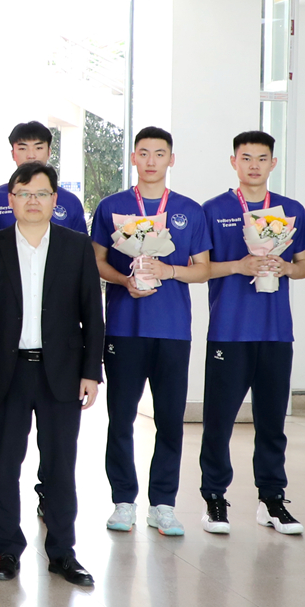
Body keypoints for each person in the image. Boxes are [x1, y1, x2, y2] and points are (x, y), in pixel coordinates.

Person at [0, 161, 102, 587]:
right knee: (2, 465)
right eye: (24, 193)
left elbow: (92, 314)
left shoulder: (75, 246)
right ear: (11, 200)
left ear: (54, 200)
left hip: (60, 372)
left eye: (41, 194)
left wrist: (91, 372)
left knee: (60, 466)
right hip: (4, 373)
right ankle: (7, 549)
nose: (32, 201)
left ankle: (62, 552)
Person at [90, 126, 211, 537]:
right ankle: (123, 500)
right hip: (124, 329)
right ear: (133, 158)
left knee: (170, 420)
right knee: (120, 418)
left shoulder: (190, 210)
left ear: (171, 159)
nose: (151, 161)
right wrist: (124, 281)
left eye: (160, 153)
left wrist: (168, 270)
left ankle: (163, 504)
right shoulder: (111, 207)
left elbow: (203, 269)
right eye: (143, 153)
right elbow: (96, 261)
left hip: (173, 330)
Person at [197, 131, 305, 535]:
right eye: (246, 158)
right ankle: (214, 497)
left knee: (272, 421)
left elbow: (304, 266)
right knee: (219, 421)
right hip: (229, 330)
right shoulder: (214, 209)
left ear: (272, 163)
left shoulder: (291, 210)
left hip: (276, 332)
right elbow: (200, 269)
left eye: (262, 158)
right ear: (234, 162)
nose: (254, 165)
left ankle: (272, 499)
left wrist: (285, 268)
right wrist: (238, 266)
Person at [0, 121, 88, 232]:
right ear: (13, 154)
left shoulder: (70, 202)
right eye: (22, 148)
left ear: (49, 152)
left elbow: (80, 242)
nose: (31, 156)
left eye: (38, 148)